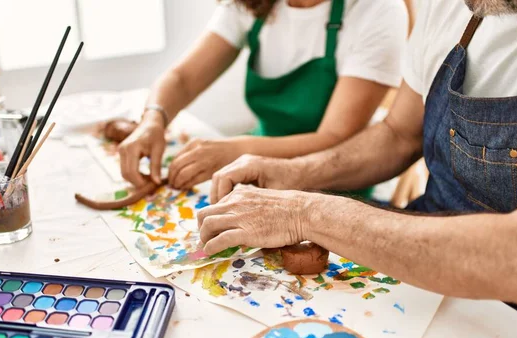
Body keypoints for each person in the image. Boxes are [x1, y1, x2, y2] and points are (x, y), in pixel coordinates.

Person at [197, 0, 517, 307]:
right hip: (418, 252)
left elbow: (515, 255)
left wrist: (306, 213)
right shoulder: (450, 7)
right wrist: (292, 171)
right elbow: (398, 134)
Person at [117, 0, 408, 195]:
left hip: (335, 180)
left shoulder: (377, 10)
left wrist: (236, 151)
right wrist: (153, 118)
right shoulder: (252, 4)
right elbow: (183, 79)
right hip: (254, 158)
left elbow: (334, 136)